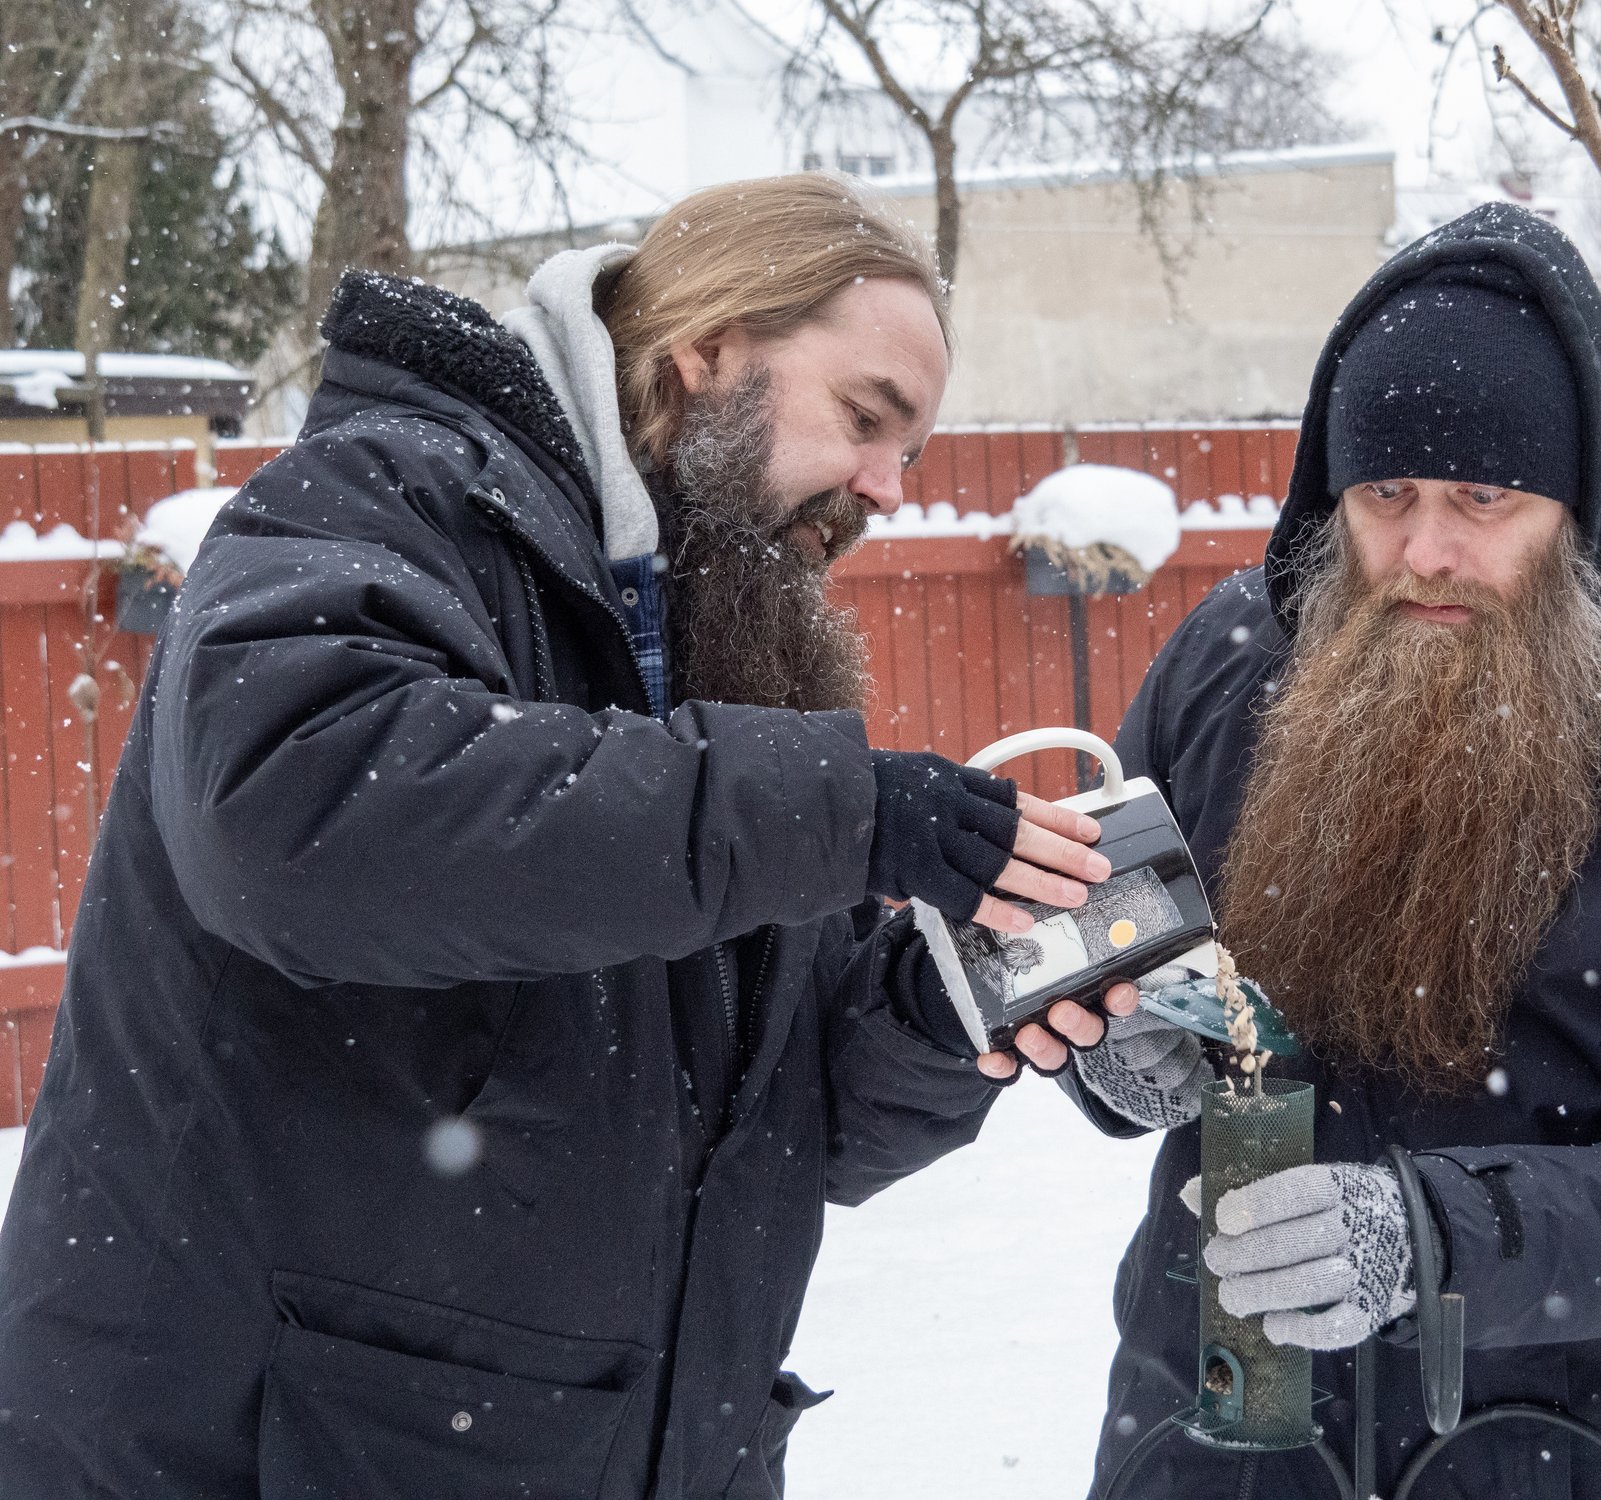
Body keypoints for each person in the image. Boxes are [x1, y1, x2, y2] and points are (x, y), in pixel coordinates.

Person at [0, 173, 1126, 1499]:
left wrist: (942, 1009)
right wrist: (851, 810)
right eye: (866, 419)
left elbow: (778, 1134)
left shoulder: (726, 629)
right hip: (262, 1448)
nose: (885, 486)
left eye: (911, 452)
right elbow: (292, 818)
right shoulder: (387, 496)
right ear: (704, 352)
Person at [1067, 202, 1601, 1499]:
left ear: (1582, 512)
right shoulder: (1232, 670)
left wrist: (1438, 1237)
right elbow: (1113, 945)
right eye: (1386, 494)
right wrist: (1113, 1047)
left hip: (1568, 1456)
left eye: (1486, 497)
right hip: (1218, 1434)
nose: (1426, 551)